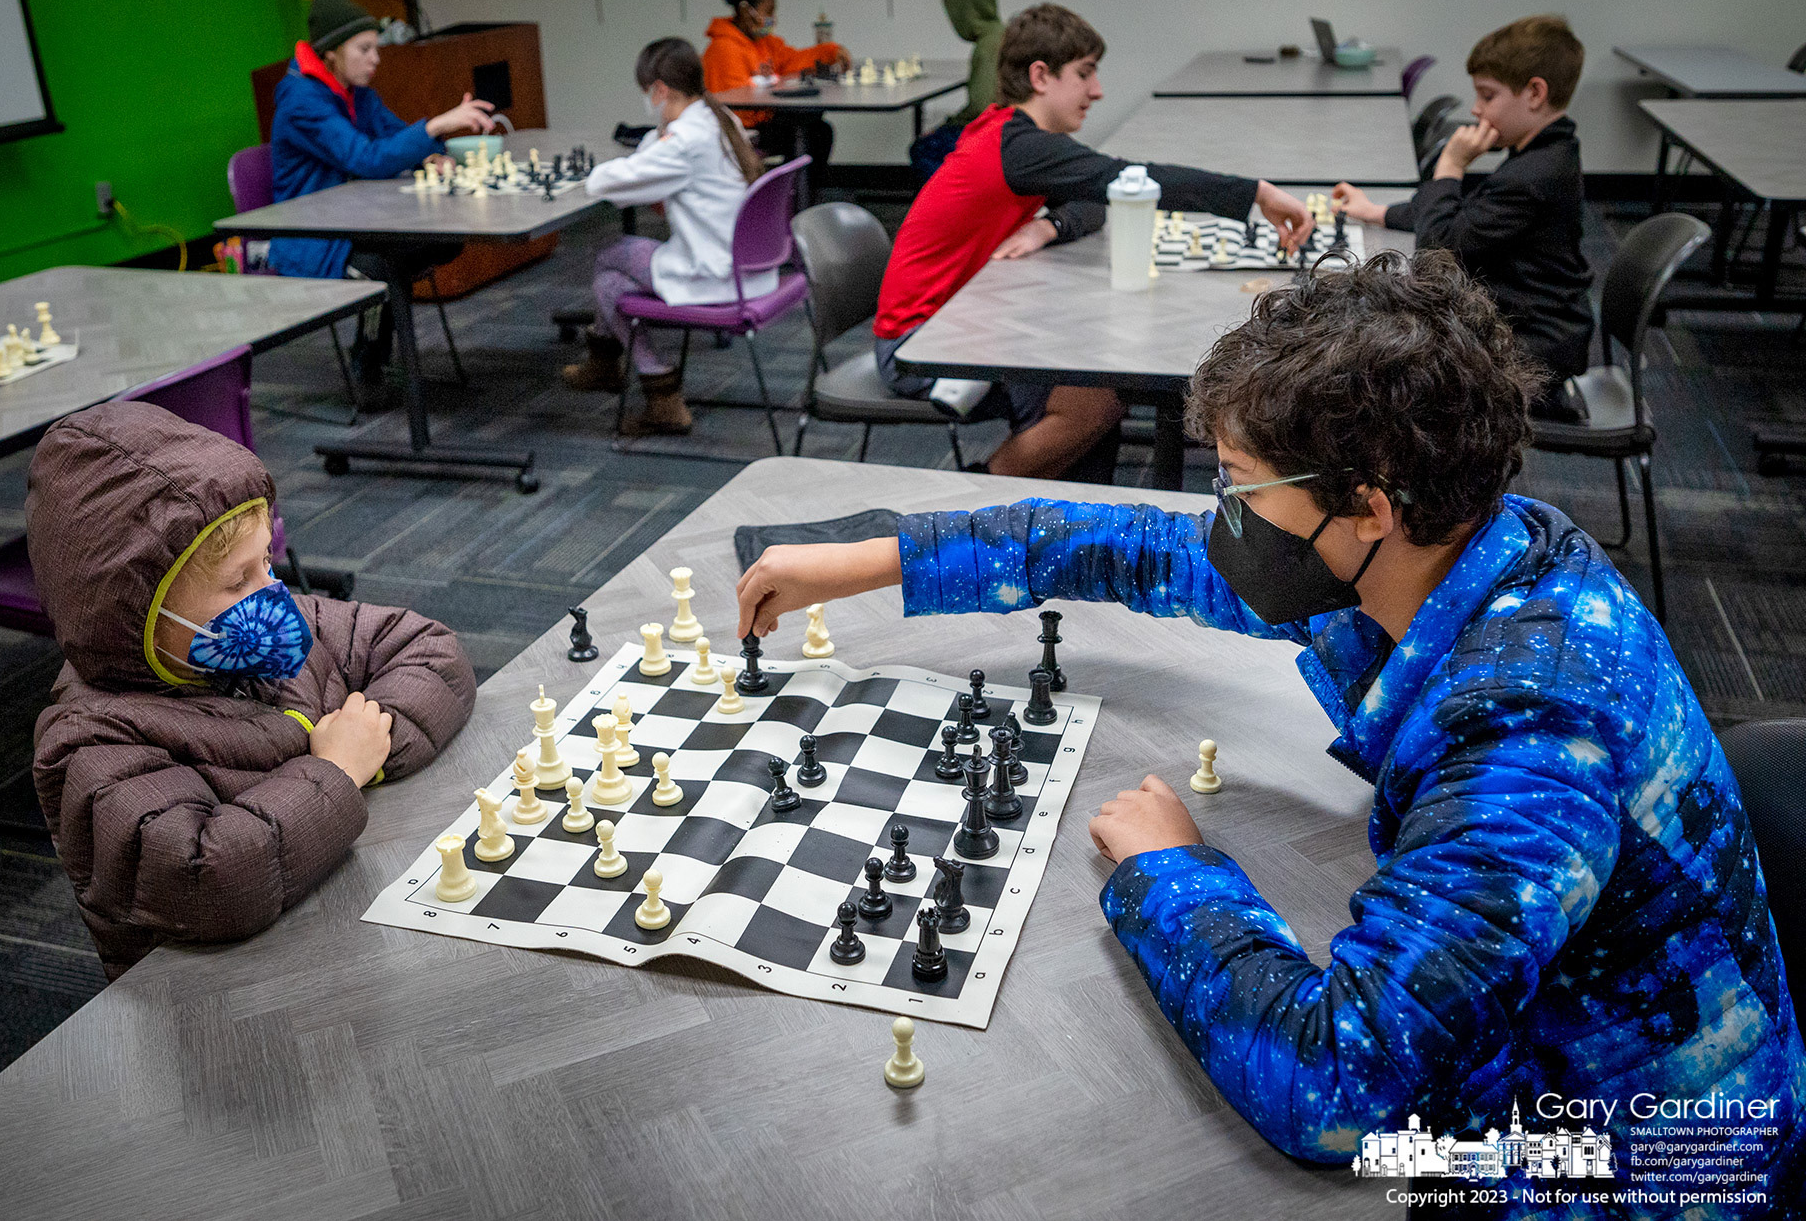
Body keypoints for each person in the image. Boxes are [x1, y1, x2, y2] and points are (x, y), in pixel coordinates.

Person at [733, 252, 1804, 1210]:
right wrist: (881, 555)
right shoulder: (1466, 542)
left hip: (1640, 1163)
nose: (1223, 514)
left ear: (1367, 505)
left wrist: (1171, 871)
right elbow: (1141, 552)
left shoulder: (1530, 736)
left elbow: (1332, 1087)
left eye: (1243, 486)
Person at [27, 401, 477, 978]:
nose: (272, 593)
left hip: (337, 920)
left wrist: (369, 746)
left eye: (267, 560)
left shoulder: (263, 636)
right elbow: (209, 878)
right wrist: (336, 773)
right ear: (136, 611)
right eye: (239, 579)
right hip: (222, 1002)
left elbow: (431, 650)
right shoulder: (93, 743)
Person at [875, 3, 1314, 482]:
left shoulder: (1013, 136)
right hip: (920, 343)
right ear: (1041, 76)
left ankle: (1068, 513)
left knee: (1099, 381)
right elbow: (1128, 181)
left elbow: (1096, 198)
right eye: (1085, 74)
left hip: (962, 319)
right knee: (1092, 401)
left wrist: (1050, 226)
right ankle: (973, 501)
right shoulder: (1023, 148)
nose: (1097, 91)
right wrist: (1258, 193)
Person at [1333, 15, 1594, 422]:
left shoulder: (1532, 176)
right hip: (1532, 326)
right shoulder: (1546, 154)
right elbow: (1465, 214)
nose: (1476, 109)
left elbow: (1439, 251)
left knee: (1372, 366)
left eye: (1487, 96)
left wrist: (1451, 164)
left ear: (1535, 93)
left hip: (1528, 348)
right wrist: (1378, 213)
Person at [269, 0, 497, 399]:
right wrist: (435, 127)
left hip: (357, 223)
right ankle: (372, 363)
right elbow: (367, 159)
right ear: (332, 53)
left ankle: (375, 357)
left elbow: (397, 135)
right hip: (316, 238)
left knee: (441, 242)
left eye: (376, 48)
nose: (376, 59)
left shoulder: (358, 95)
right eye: (365, 49)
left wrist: (431, 153)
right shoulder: (302, 101)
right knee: (388, 261)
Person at [562, 38, 772, 436]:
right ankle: (624, 374)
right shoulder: (718, 116)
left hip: (716, 275)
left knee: (608, 255)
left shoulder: (685, 142)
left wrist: (593, 175)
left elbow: (613, 181)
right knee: (609, 282)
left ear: (660, 90)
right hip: (749, 267)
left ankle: (655, 391)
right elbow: (651, 162)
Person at [701, 0, 847, 188]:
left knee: (817, 128)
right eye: (767, 12)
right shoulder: (724, 49)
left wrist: (830, 52)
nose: (771, 19)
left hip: (764, 118)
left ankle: (796, 197)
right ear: (745, 10)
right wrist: (773, 108)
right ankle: (792, 200)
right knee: (813, 133)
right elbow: (737, 109)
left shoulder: (764, 43)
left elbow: (792, 60)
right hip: (742, 130)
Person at [908, 0, 1005, 182]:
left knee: (923, 149)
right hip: (1004, 130)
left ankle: (952, 208)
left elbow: (982, 107)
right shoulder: (1000, 34)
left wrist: (946, 126)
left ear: (969, 12)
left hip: (992, 134)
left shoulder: (988, 46)